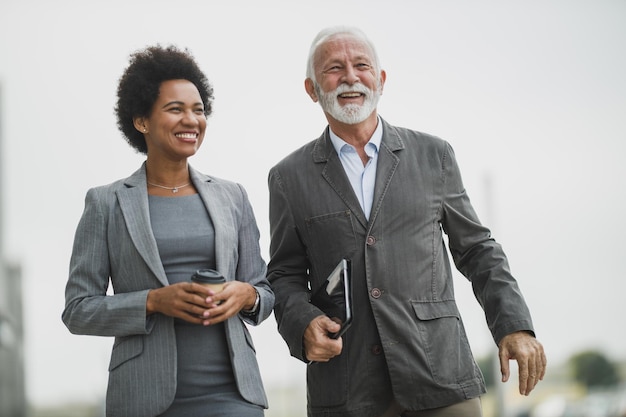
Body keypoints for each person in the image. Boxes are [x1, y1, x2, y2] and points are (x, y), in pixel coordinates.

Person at [267, 26, 546, 417]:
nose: (350, 76)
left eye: (361, 65)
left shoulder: (435, 156)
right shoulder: (287, 177)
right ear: (312, 89)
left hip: (439, 376)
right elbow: (283, 274)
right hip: (346, 387)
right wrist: (302, 323)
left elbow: (478, 250)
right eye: (334, 68)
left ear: (380, 80)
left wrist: (513, 325)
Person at [62, 45, 274, 417]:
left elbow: (264, 291)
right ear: (141, 120)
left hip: (233, 395)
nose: (191, 120)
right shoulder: (105, 203)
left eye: (199, 110)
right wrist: (153, 301)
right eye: (176, 109)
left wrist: (246, 295)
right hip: (143, 398)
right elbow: (78, 310)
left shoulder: (233, 196)